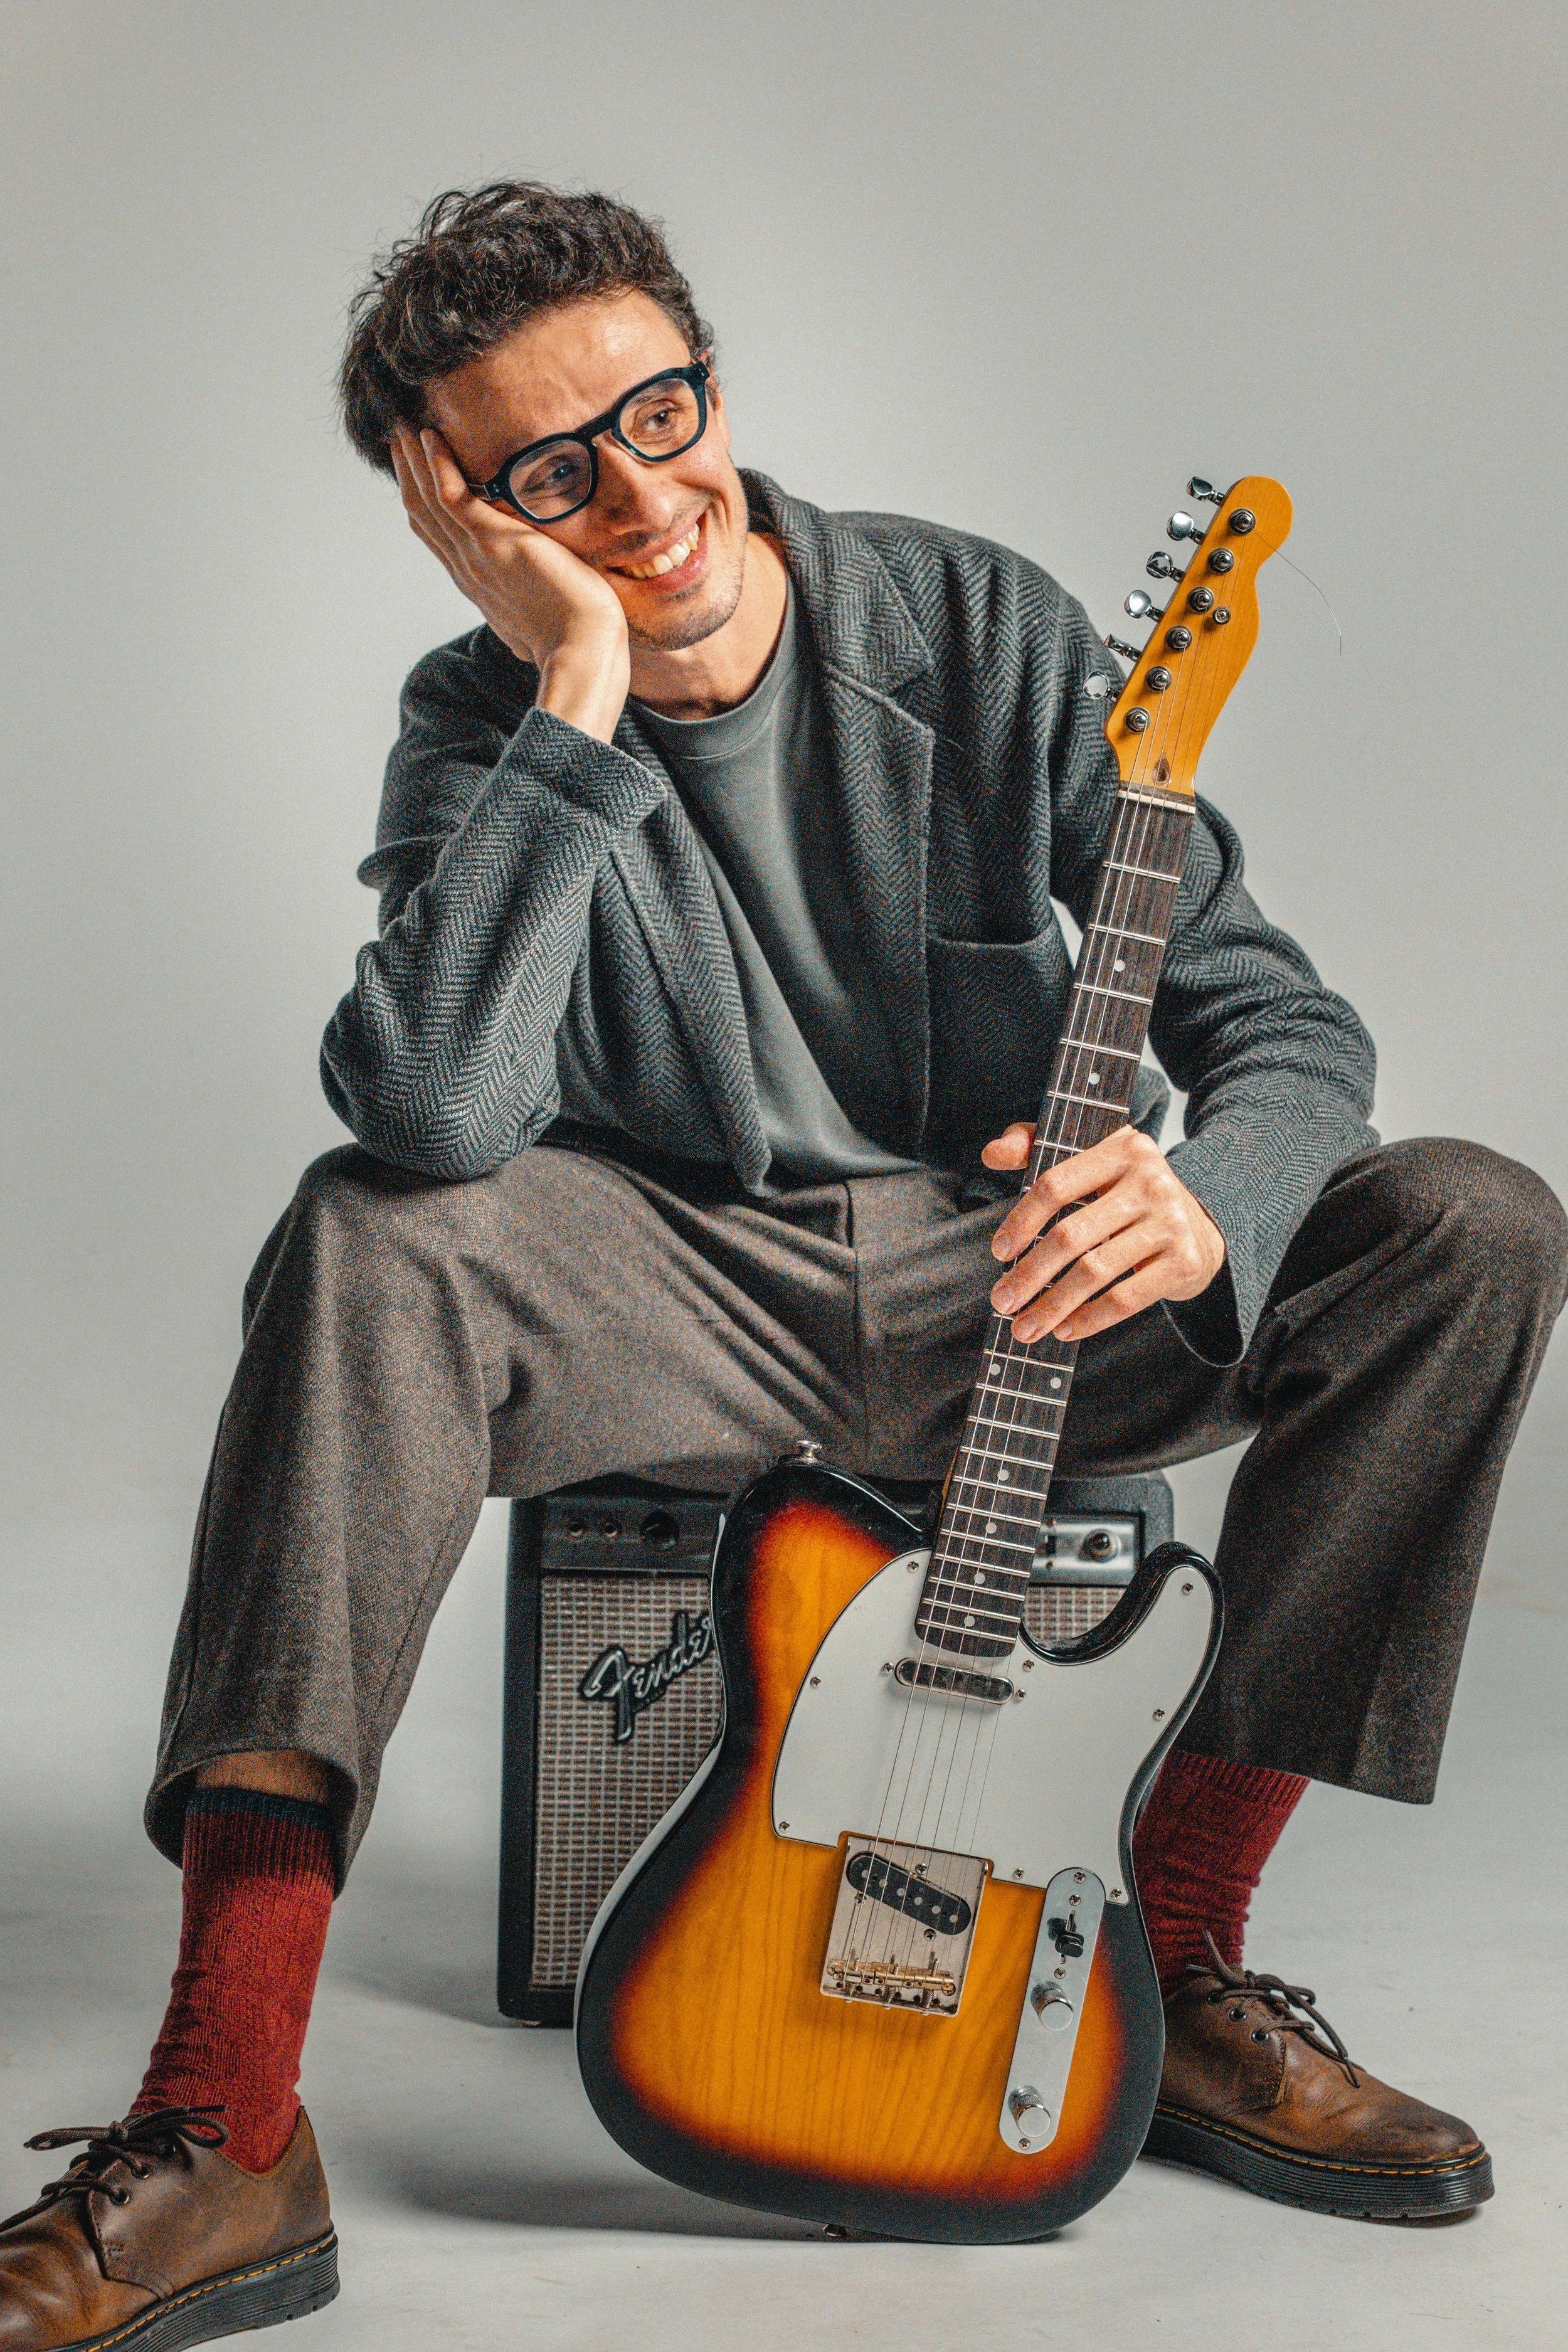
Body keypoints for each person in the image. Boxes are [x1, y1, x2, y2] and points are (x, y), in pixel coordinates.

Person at [3, 179, 1564, 2344]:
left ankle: (1171, 1958)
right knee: (370, 1239)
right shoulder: (481, 722)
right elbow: (441, 1112)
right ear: (467, 509)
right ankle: (229, 2110)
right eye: (554, 467)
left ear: (715, 379)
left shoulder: (982, 630)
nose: (642, 491)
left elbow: (1281, 1024)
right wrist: (576, 688)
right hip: (680, 1285)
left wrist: (1205, 1192)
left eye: (662, 408)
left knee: (1467, 1223)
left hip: (1007, 1282)